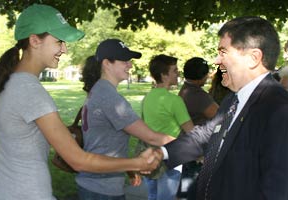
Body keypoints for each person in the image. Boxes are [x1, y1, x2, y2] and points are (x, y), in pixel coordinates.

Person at [0, 4, 161, 200]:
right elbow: (79, 161)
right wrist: (136, 163)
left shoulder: (6, 82)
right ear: (35, 40)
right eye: (59, 41)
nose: (65, 49)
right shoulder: (30, 90)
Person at [160, 16, 288, 200]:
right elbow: (204, 135)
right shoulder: (232, 101)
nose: (216, 60)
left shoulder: (279, 110)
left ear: (254, 57)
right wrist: (161, 154)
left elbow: (276, 189)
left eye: (223, 52)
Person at [76, 39, 175, 200]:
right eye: (124, 60)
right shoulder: (109, 96)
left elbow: (104, 142)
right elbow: (151, 137)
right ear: (107, 63)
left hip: (97, 185)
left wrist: (128, 169)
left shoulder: (99, 90)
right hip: (101, 190)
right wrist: (192, 146)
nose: (130, 65)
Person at [140, 54, 194, 200]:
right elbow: (192, 132)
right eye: (175, 71)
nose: (178, 74)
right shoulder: (174, 100)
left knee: (152, 195)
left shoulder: (147, 97)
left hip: (149, 155)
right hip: (171, 156)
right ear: (164, 75)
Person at [177, 57, 219, 199]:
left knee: (187, 188)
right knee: (191, 191)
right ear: (201, 76)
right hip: (197, 151)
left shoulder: (186, 90)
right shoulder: (198, 95)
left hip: (188, 146)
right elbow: (221, 116)